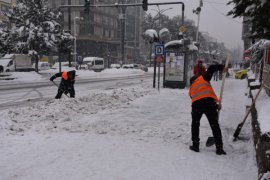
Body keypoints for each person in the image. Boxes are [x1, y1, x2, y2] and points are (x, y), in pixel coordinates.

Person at [189, 64, 227, 155]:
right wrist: (222, 67)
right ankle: (219, 148)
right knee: (215, 125)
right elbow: (211, 68)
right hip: (209, 104)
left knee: (195, 124)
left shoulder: (191, 88)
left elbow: (194, 97)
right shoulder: (203, 78)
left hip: (197, 105)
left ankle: (195, 145)